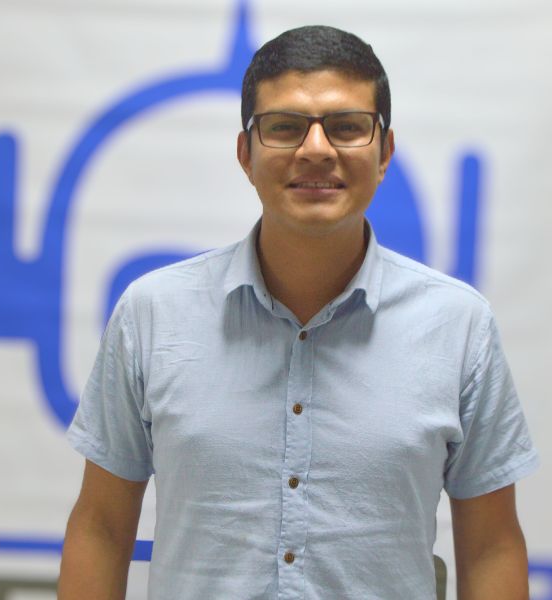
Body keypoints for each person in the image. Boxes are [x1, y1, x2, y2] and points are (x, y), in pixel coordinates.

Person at [58, 26, 538, 600]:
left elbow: (491, 549)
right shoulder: (152, 313)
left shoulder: (459, 326)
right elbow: (101, 529)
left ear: (384, 153)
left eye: (347, 127)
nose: (316, 149)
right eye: (285, 127)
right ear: (245, 154)